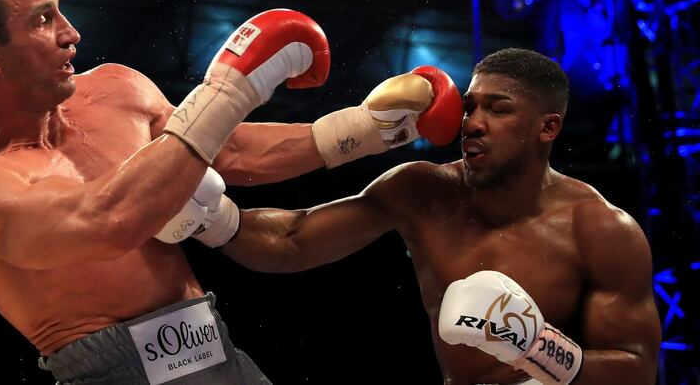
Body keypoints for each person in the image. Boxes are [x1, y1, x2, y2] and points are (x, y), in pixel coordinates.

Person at [0, 0, 464, 384]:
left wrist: (369, 130)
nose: (71, 32)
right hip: (115, 374)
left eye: (59, 10)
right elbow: (108, 219)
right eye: (43, 20)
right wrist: (229, 92)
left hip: (216, 344)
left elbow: (228, 152)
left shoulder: (117, 87)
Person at [218, 48, 662, 385]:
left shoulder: (599, 228)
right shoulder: (424, 190)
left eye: (498, 108)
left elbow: (638, 368)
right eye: (470, 106)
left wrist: (540, 348)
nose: (472, 123)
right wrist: (215, 218)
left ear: (548, 128)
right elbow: (293, 241)